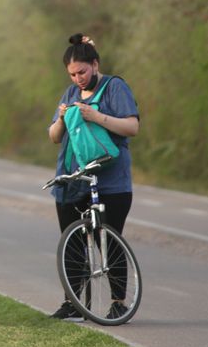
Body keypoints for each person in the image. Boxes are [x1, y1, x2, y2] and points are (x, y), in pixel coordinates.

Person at [47, 33, 140, 321]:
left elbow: (132, 127)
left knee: (110, 241)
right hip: (74, 179)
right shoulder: (70, 94)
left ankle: (117, 302)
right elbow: (53, 136)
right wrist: (63, 118)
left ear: (95, 64)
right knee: (72, 242)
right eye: (73, 74)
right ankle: (73, 301)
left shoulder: (115, 87)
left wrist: (95, 116)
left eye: (82, 72)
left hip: (111, 182)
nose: (78, 79)